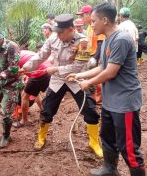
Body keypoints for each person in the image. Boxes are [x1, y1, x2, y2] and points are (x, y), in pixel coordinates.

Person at [67, 2, 145, 176]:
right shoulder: (107, 39)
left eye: (93, 21)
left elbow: (110, 72)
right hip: (111, 101)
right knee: (108, 138)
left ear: (105, 20)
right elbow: (102, 66)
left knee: (129, 147)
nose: (91, 24)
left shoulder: (122, 39)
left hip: (125, 102)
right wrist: (80, 76)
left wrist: (88, 83)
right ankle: (110, 169)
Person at [22, 14, 103, 158]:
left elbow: (78, 67)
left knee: (90, 111)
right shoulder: (53, 38)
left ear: (71, 29)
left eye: (60, 32)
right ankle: (41, 138)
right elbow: (41, 55)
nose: (58, 35)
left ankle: (94, 142)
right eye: (56, 31)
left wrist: (57, 69)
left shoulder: (83, 42)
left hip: (76, 80)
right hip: (57, 81)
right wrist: (27, 66)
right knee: (47, 110)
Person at [76, 5, 106, 103]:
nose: (82, 18)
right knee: (91, 76)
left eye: (82, 16)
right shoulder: (89, 27)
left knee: (98, 76)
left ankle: (101, 96)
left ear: (89, 14)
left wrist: (95, 58)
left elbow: (101, 43)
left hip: (98, 55)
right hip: (91, 54)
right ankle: (95, 96)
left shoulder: (97, 26)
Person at [15, 50, 51, 127]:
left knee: (24, 95)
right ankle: (43, 111)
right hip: (48, 69)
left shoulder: (14, 58)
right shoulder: (23, 53)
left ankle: (24, 120)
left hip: (39, 72)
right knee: (36, 93)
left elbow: (17, 73)